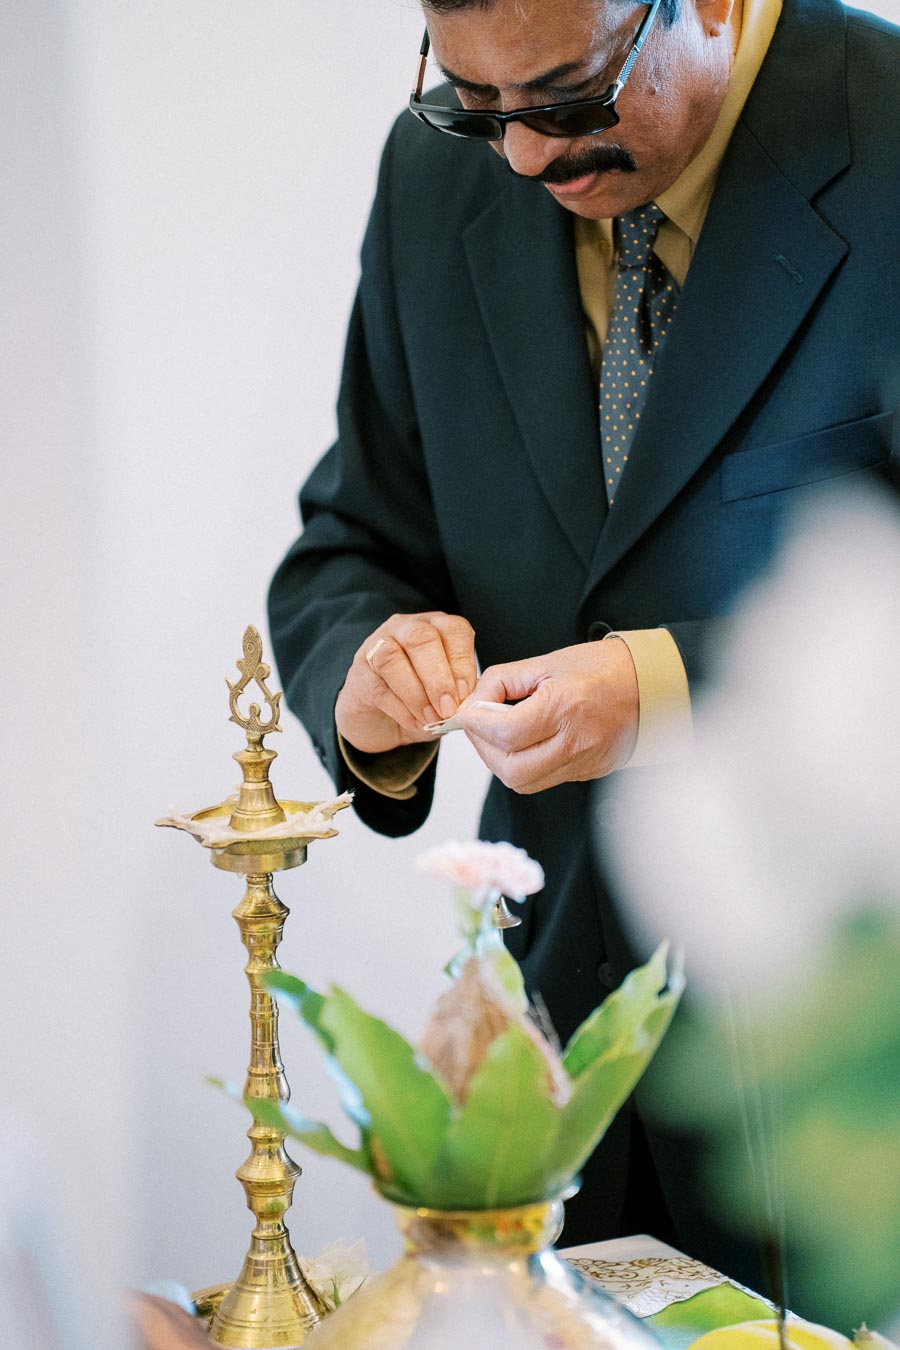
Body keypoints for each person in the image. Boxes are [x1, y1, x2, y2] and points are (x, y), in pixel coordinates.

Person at [268, 0, 900, 1283]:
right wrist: (370, 672)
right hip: (562, 1080)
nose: (518, 158)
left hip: (853, 1081)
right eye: (472, 101)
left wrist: (668, 689)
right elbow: (349, 539)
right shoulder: (439, 172)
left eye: (564, 99)